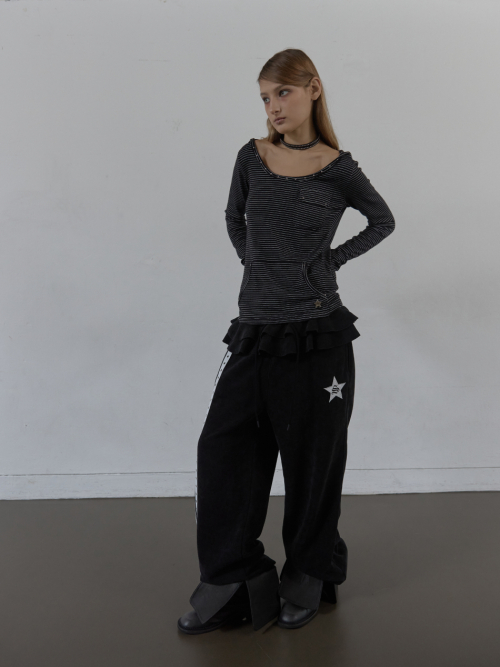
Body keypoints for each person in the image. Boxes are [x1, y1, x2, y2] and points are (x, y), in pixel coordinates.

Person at [178, 48, 395, 634]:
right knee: (222, 448)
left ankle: (309, 572)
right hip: (256, 331)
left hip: (319, 335)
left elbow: (382, 220)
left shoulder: (337, 167)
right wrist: (260, 268)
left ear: (313, 89)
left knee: (312, 461)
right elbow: (234, 218)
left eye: (283, 93)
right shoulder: (251, 157)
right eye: (264, 97)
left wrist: (331, 261)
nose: (273, 107)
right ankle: (233, 579)